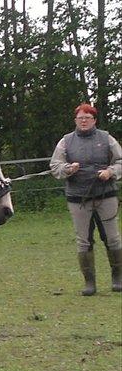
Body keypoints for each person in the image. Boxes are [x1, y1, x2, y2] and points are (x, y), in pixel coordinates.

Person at [50, 103, 121, 295]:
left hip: (106, 196)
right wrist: (67, 169)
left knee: (113, 239)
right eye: (80, 118)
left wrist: (111, 171)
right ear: (75, 120)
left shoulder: (107, 139)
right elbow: (55, 165)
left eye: (87, 118)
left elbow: (120, 161)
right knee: (83, 241)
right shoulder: (65, 141)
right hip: (77, 198)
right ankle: (89, 283)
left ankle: (117, 278)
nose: (83, 121)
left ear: (94, 120)